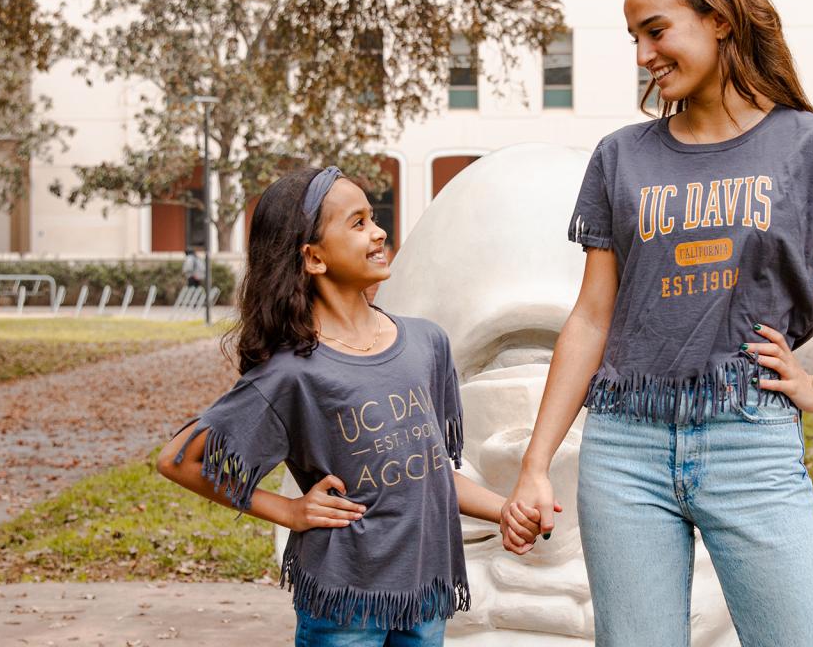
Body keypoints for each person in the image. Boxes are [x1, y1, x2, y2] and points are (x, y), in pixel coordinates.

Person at [499, 0, 813, 647]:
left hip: (750, 441)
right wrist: (535, 465)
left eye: (657, 30)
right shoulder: (621, 157)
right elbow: (592, 318)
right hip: (625, 448)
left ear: (719, 18)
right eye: (634, 38)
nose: (644, 54)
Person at [157, 167, 541, 647]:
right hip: (345, 606)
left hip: (427, 592)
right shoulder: (291, 372)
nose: (379, 232)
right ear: (314, 257)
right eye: (358, 223)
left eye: (374, 218)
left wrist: (504, 510)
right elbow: (179, 459)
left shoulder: (427, 343)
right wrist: (289, 511)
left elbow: (429, 473)